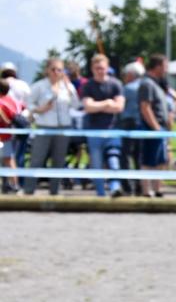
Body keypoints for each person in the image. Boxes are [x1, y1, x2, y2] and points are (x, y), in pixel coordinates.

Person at [24, 57, 78, 195]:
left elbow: (76, 105)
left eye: (59, 69)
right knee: (37, 159)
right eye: (53, 69)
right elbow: (28, 104)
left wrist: (70, 89)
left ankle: (54, 191)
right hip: (44, 127)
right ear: (47, 70)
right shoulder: (39, 86)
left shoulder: (68, 87)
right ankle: (29, 190)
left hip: (63, 128)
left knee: (59, 161)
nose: (56, 72)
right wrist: (39, 110)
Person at [81, 53, 126, 197]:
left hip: (112, 130)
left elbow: (119, 107)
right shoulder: (88, 85)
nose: (100, 71)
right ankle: (100, 193)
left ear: (107, 68)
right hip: (93, 131)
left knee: (114, 159)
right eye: (97, 68)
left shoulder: (116, 84)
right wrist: (107, 103)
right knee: (96, 163)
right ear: (92, 69)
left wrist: (97, 105)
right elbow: (88, 107)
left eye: (102, 68)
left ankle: (115, 187)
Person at [138, 54, 170, 198]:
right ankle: (146, 190)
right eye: (165, 66)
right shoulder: (147, 83)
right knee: (148, 160)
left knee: (160, 160)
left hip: (159, 128)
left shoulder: (157, 83)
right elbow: (145, 107)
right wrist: (156, 127)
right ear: (157, 66)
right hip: (151, 128)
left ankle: (157, 189)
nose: (166, 69)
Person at [118, 62, 145, 192]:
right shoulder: (146, 86)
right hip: (141, 125)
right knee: (139, 157)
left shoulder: (127, 88)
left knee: (125, 156)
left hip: (128, 124)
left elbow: (120, 108)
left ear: (130, 74)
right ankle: (140, 186)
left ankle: (127, 187)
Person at [0, 80, 24, 193]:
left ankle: (14, 185)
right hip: (11, 134)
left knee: (8, 160)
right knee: (10, 160)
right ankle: (11, 184)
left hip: (3, 136)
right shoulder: (12, 101)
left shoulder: (1, 102)